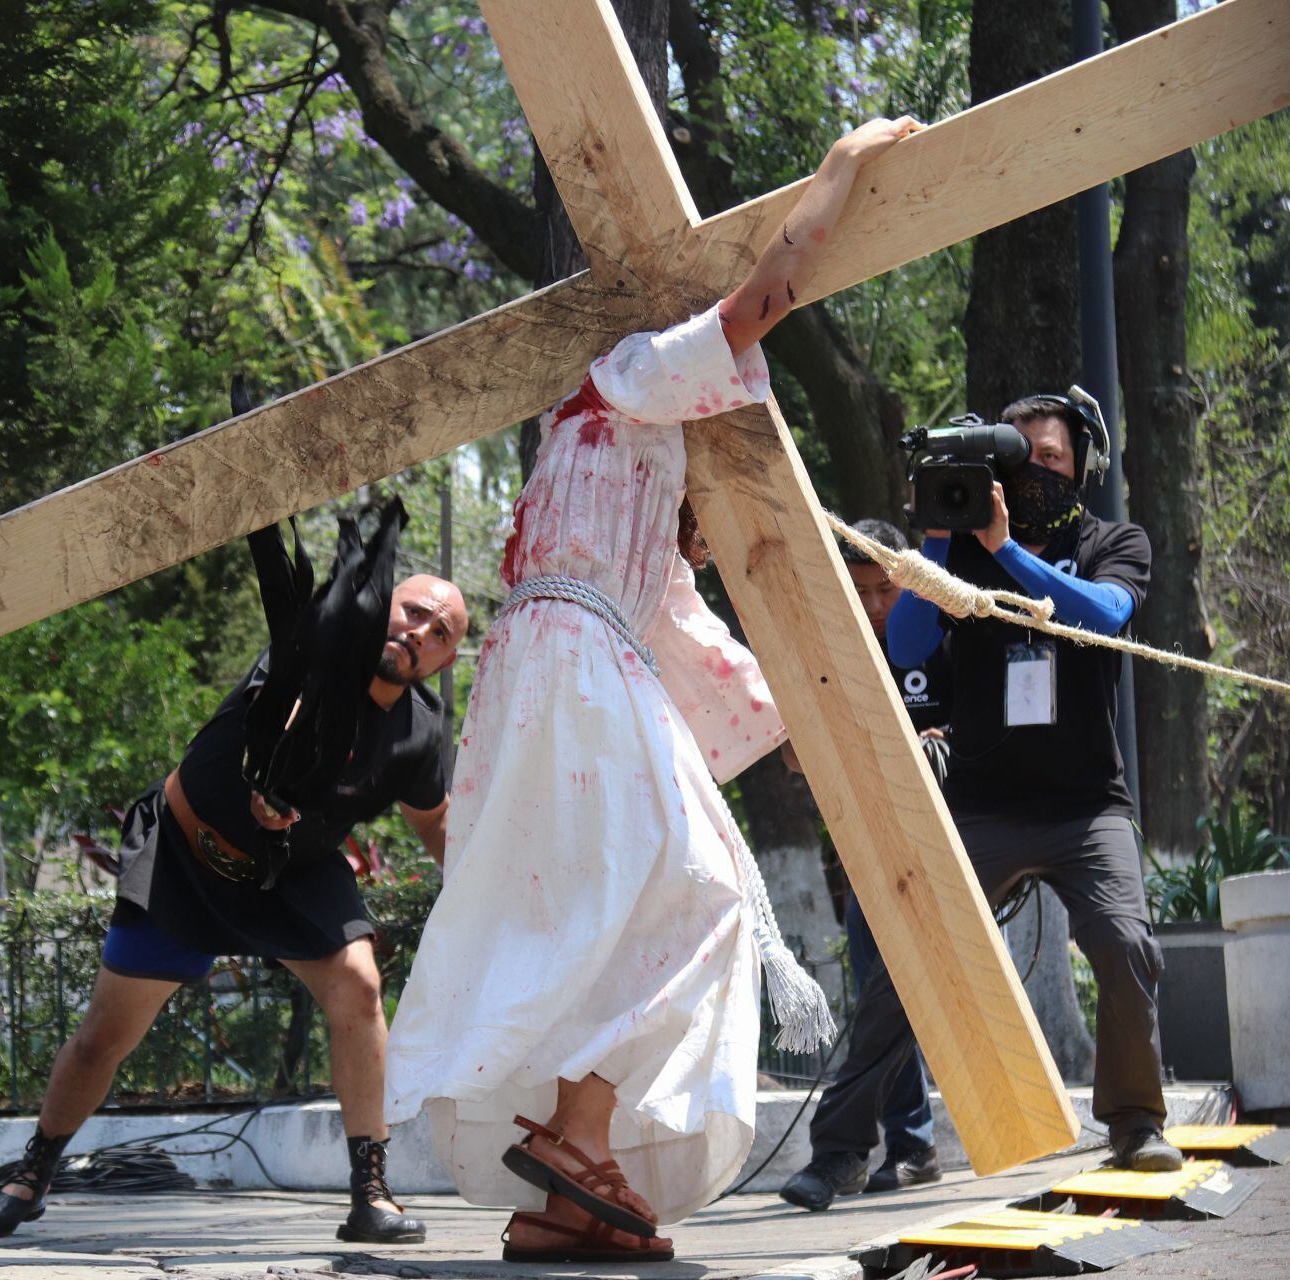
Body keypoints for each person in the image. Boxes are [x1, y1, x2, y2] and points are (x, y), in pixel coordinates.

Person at [382, 116, 924, 1263]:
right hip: (570, 682)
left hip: (545, 689)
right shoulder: (626, 378)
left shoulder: (617, 507)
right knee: (704, 888)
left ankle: (572, 1194)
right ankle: (579, 1136)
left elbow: (710, 656)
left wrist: (824, 702)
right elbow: (761, 300)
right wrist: (837, 170)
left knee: (595, 914)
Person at [0, 574, 467, 1244]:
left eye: (440, 633)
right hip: (188, 857)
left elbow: (433, 822)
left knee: (360, 986)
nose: (419, 633)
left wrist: (480, 894)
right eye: (413, 613)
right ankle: (33, 1173)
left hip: (297, 872)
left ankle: (369, 1192)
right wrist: (271, 788)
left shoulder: (422, 728)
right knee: (102, 1041)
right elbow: (279, 728)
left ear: (445, 660)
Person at [779, 392, 1182, 1213]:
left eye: (1054, 457)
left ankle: (1135, 1123)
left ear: (1085, 467)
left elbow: (1103, 614)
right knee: (905, 961)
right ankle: (841, 1154)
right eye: (1023, 455)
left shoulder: (1115, 542)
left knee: (1123, 939)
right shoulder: (958, 555)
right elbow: (910, 645)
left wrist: (1008, 552)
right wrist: (938, 540)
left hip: (1086, 807)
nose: (1038, 468)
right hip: (982, 809)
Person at [836, 517, 950, 1191]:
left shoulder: (942, 631)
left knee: (942, 990)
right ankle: (911, 1143)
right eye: (860, 593)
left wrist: (942, 742)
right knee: (880, 993)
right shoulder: (836, 648)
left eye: (885, 590)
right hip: (871, 846)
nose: (876, 608)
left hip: (954, 844)